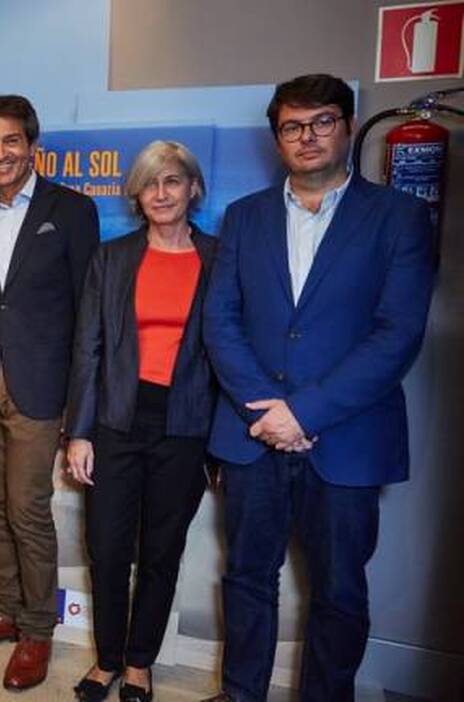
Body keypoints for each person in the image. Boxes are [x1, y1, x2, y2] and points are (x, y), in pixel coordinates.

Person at [201, 74, 435, 702]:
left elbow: (398, 333)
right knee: (247, 577)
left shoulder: (399, 217)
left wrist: (302, 414)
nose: (307, 136)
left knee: (338, 590)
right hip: (253, 435)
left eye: (322, 121)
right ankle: (241, 693)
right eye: (292, 127)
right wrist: (268, 412)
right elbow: (221, 321)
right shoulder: (244, 217)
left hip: (346, 437)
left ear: (348, 126)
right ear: (277, 138)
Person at [0, 94, 99, 692]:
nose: (1, 153)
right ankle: (6, 612)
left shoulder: (73, 210)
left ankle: (37, 630)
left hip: (41, 386)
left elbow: (88, 313)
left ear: (33, 146)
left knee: (28, 510)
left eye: (11, 140)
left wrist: (79, 406)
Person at [64, 141, 217, 702]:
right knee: (107, 549)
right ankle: (106, 659)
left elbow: (230, 351)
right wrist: (79, 432)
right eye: (150, 183)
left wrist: (223, 445)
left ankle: (138, 664)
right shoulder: (112, 258)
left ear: (193, 188)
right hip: (116, 422)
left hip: (186, 426)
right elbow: (88, 349)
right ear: (136, 195)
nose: (161, 193)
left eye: (172, 181)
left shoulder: (219, 258)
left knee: (160, 552)